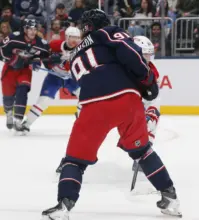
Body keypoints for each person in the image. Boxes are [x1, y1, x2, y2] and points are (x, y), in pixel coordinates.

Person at [41, 9, 181, 220]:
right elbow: (129, 51)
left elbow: (77, 81)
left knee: (74, 161)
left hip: (92, 105)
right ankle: (171, 199)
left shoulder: (77, 51)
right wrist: (148, 80)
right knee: (143, 151)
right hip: (127, 100)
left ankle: (63, 206)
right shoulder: (107, 33)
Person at [24, 27, 82, 132]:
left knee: (85, 96)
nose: (75, 40)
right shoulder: (55, 45)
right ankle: (26, 124)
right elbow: (40, 53)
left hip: (71, 78)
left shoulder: (82, 50)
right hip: (54, 76)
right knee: (44, 101)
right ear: (67, 37)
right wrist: (39, 60)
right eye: (72, 37)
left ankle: (81, 120)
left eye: (77, 38)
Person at [0, 19, 49, 133]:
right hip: (10, 70)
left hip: (25, 70)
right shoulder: (13, 38)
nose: (33, 32)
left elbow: (45, 55)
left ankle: (18, 120)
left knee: (23, 90)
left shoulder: (41, 43)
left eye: (35, 29)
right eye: (30, 29)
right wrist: (12, 60)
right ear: (25, 29)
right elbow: (1, 50)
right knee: (8, 98)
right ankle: (8, 113)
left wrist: (37, 60)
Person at [131, 35, 160, 172]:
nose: (148, 59)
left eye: (150, 55)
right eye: (145, 56)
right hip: (115, 107)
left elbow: (154, 100)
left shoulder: (152, 72)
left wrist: (150, 113)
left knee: (152, 119)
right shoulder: (121, 70)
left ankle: (143, 155)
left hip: (134, 107)